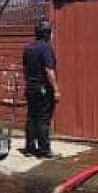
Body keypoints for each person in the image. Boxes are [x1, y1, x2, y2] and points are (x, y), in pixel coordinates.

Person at [22, 19, 60, 158]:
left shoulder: (28, 48)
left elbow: (25, 70)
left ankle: (30, 148)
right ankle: (44, 150)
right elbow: (49, 70)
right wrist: (56, 89)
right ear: (47, 34)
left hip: (31, 87)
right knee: (43, 119)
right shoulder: (46, 48)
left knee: (32, 117)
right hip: (43, 88)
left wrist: (29, 83)